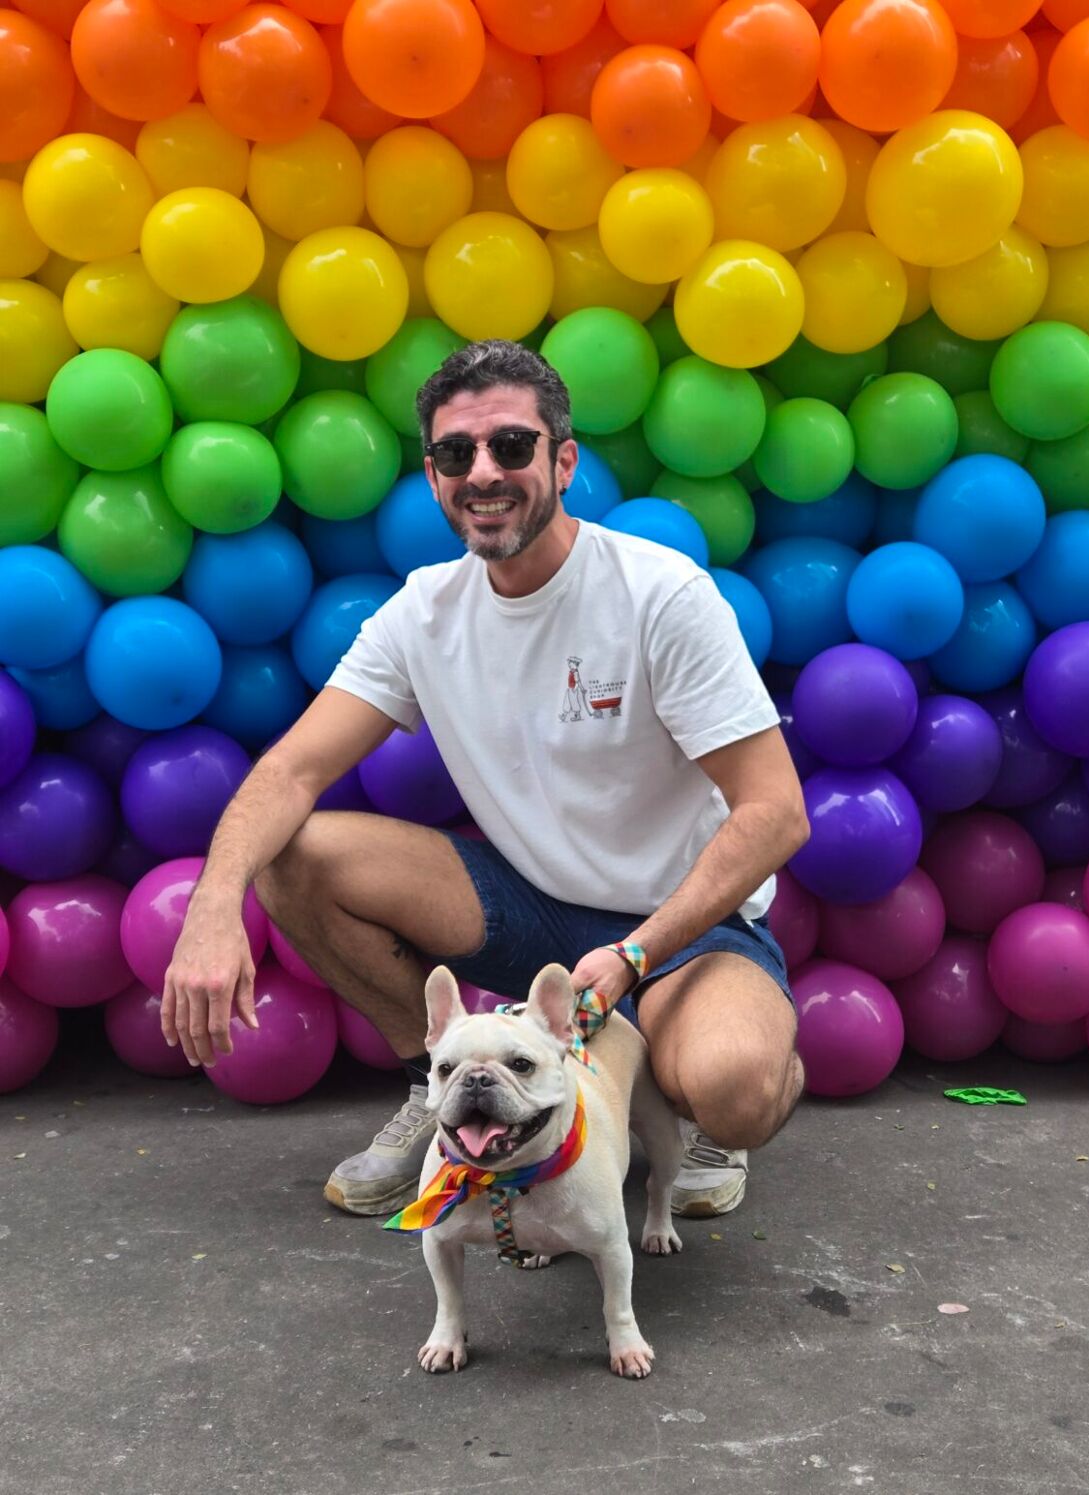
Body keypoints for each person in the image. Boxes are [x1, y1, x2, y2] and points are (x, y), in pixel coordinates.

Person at [161, 339, 810, 1221]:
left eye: (511, 445)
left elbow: (775, 813)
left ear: (564, 460)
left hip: (685, 926)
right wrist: (212, 903)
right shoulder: (423, 611)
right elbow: (290, 768)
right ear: (432, 477)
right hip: (533, 908)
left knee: (731, 1083)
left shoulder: (661, 593)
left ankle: (696, 1095)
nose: (483, 472)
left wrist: (633, 955)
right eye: (455, 453)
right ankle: (441, 1095)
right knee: (292, 854)